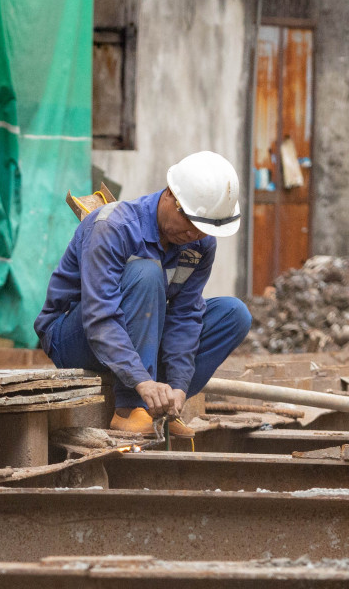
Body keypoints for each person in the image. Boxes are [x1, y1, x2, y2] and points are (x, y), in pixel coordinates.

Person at [35, 151, 254, 432]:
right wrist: (140, 381)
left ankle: (163, 407)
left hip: (137, 337)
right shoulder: (112, 226)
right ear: (169, 196)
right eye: (189, 224)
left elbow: (184, 317)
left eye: (202, 230)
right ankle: (131, 408)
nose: (193, 235)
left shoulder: (200, 245)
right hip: (74, 336)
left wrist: (179, 386)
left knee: (233, 314)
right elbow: (100, 317)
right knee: (147, 272)